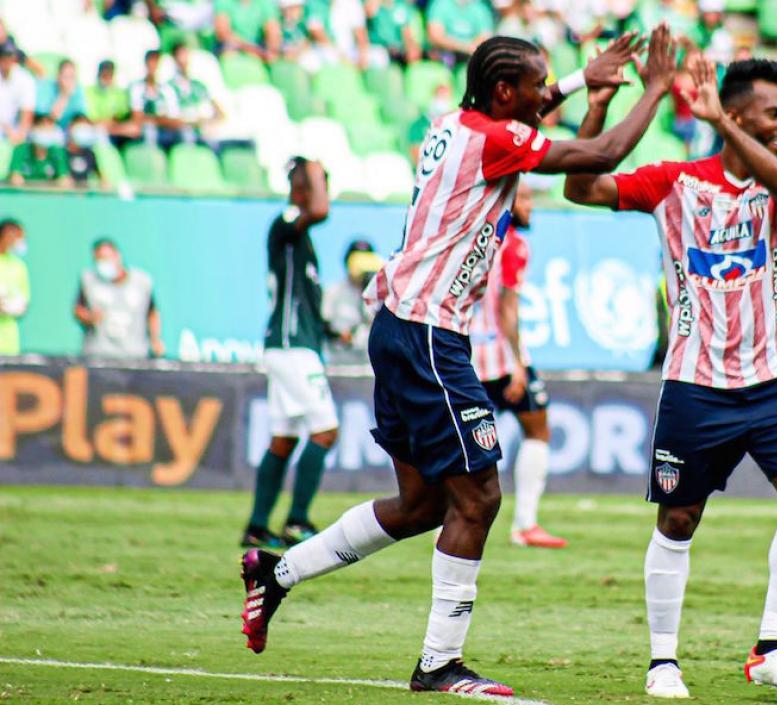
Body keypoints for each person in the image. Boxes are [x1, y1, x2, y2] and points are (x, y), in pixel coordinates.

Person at [238, 27, 677, 697]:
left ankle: (276, 574)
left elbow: (538, 123)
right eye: (536, 86)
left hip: (399, 323)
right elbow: (605, 151)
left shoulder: (456, 123)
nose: (542, 96)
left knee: (421, 504)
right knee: (479, 496)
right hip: (427, 332)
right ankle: (439, 662)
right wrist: (655, 90)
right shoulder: (498, 139)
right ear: (507, 92)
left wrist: (578, 86)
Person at [564, 57, 777, 699]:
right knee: (678, 520)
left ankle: (772, 648)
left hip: (774, 379)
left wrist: (724, 127)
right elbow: (580, 190)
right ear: (736, 114)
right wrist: (597, 109)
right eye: (774, 114)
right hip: (695, 382)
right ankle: (662, 662)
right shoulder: (674, 182)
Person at [240, 157, 339, 550]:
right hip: (291, 347)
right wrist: (311, 165)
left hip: (292, 345)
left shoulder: (300, 238)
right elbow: (319, 209)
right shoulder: (286, 220)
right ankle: (297, 521)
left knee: (283, 438)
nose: (324, 192)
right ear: (302, 189)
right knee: (326, 431)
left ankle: (257, 525)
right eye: (319, 184)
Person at [465, 184, 566, 549]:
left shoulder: (475, 236)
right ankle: (524, 525)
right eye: (524, 200)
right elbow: (508, 308)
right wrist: (520, 363)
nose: (530, 208)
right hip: (500, 358)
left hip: (464, 355)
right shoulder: (515, 246)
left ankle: (448, 522)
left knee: (462, 443)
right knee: (538, 429)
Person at [73, 238, 165, 359]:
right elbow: (78, 309)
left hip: (134, 354)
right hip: (99, 354)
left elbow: (152, 313)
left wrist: (155, 339)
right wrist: (90, 317)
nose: (103, 264)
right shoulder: (89, 280)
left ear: (117, 255)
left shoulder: (142, 281)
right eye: (99, 260)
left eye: (106, 258)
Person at [322, 238, 383, 364]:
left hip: (369, 367)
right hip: (340, 364)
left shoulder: (378, 296)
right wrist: (340, 336)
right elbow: (323, 325)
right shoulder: (333, 292)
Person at [169, 43, 223, 146]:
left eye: (186, 55)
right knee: (187, 135)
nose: (184, 60)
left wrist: (209, 121)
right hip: (184, 130)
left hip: (203, 129)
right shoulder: (169, 87)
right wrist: (194, 122)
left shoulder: (199, 86)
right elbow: (169, 119)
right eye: (180, 56)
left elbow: (220, 113)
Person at [128, 50, 182, 148]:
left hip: (166, 130)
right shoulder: (137, 88)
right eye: (151, 63)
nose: (153, 67)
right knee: (149, 130)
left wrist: (152, 119)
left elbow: (175, 119)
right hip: (147, 131)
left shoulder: (167, 90)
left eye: (156, 63)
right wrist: (161, 119)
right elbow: (137, 117)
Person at [425, 0, 495, 66]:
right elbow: (435, 37)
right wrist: (466, 47)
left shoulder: (481, 8)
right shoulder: (440, 4)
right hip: (441, 62)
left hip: (468, 62)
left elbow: (485, 37)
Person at [7, 114, 69, 187]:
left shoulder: (57, 151)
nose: (46, 132)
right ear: (33, 129)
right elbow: (15, 177)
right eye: (42, 128)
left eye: (49, 129)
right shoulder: (21, 149)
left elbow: (64, 179)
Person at [85, 60, 137, 141]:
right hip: (97, 129)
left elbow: (122, 116)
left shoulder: (118, 92)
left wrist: (113, 125)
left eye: (110, 75)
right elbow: (93, 120)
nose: (107, 79)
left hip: (115, 128)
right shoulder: (89, 91)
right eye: (104, 75)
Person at [214, 0, 281, 60]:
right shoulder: (223, 2)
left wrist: (272, 50)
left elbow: (273, 31)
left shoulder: (265, 3)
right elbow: (223, 33)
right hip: (231, 49)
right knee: (229, 52)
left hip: (258, 50)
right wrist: (253, 50)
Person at [0, 219, 29, 356]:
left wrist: (15, 307)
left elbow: (24, 303)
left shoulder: (19, 266)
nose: (20, 242)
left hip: (9, 344)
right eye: (18, 237)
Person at [364, 0, 422, 65]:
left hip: (397, 49)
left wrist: (411, 48)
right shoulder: (373, 3)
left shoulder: (400, 5)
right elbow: (368, 13)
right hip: (377, 47)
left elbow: (406, 33)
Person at [0, 40, 35, 145]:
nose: (7, 61)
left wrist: (20, 134)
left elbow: (27, 110)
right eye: (4, 57)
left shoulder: (25, 79)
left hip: (16, 127)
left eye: (10, 57)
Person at [34, 59, 87, 130]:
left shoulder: (78, 89)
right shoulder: (47, 87)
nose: (69, 81)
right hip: (46, 129)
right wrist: (65, 96)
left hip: (68, 131)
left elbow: (80, 119)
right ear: (58, 76)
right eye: (66, 76)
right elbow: (46, 121)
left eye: (72, 77)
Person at [65, 113, 106, 188]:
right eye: (80, 127)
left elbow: (103, 180)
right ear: (70, 128)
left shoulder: (89, 154)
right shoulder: (62, 153)